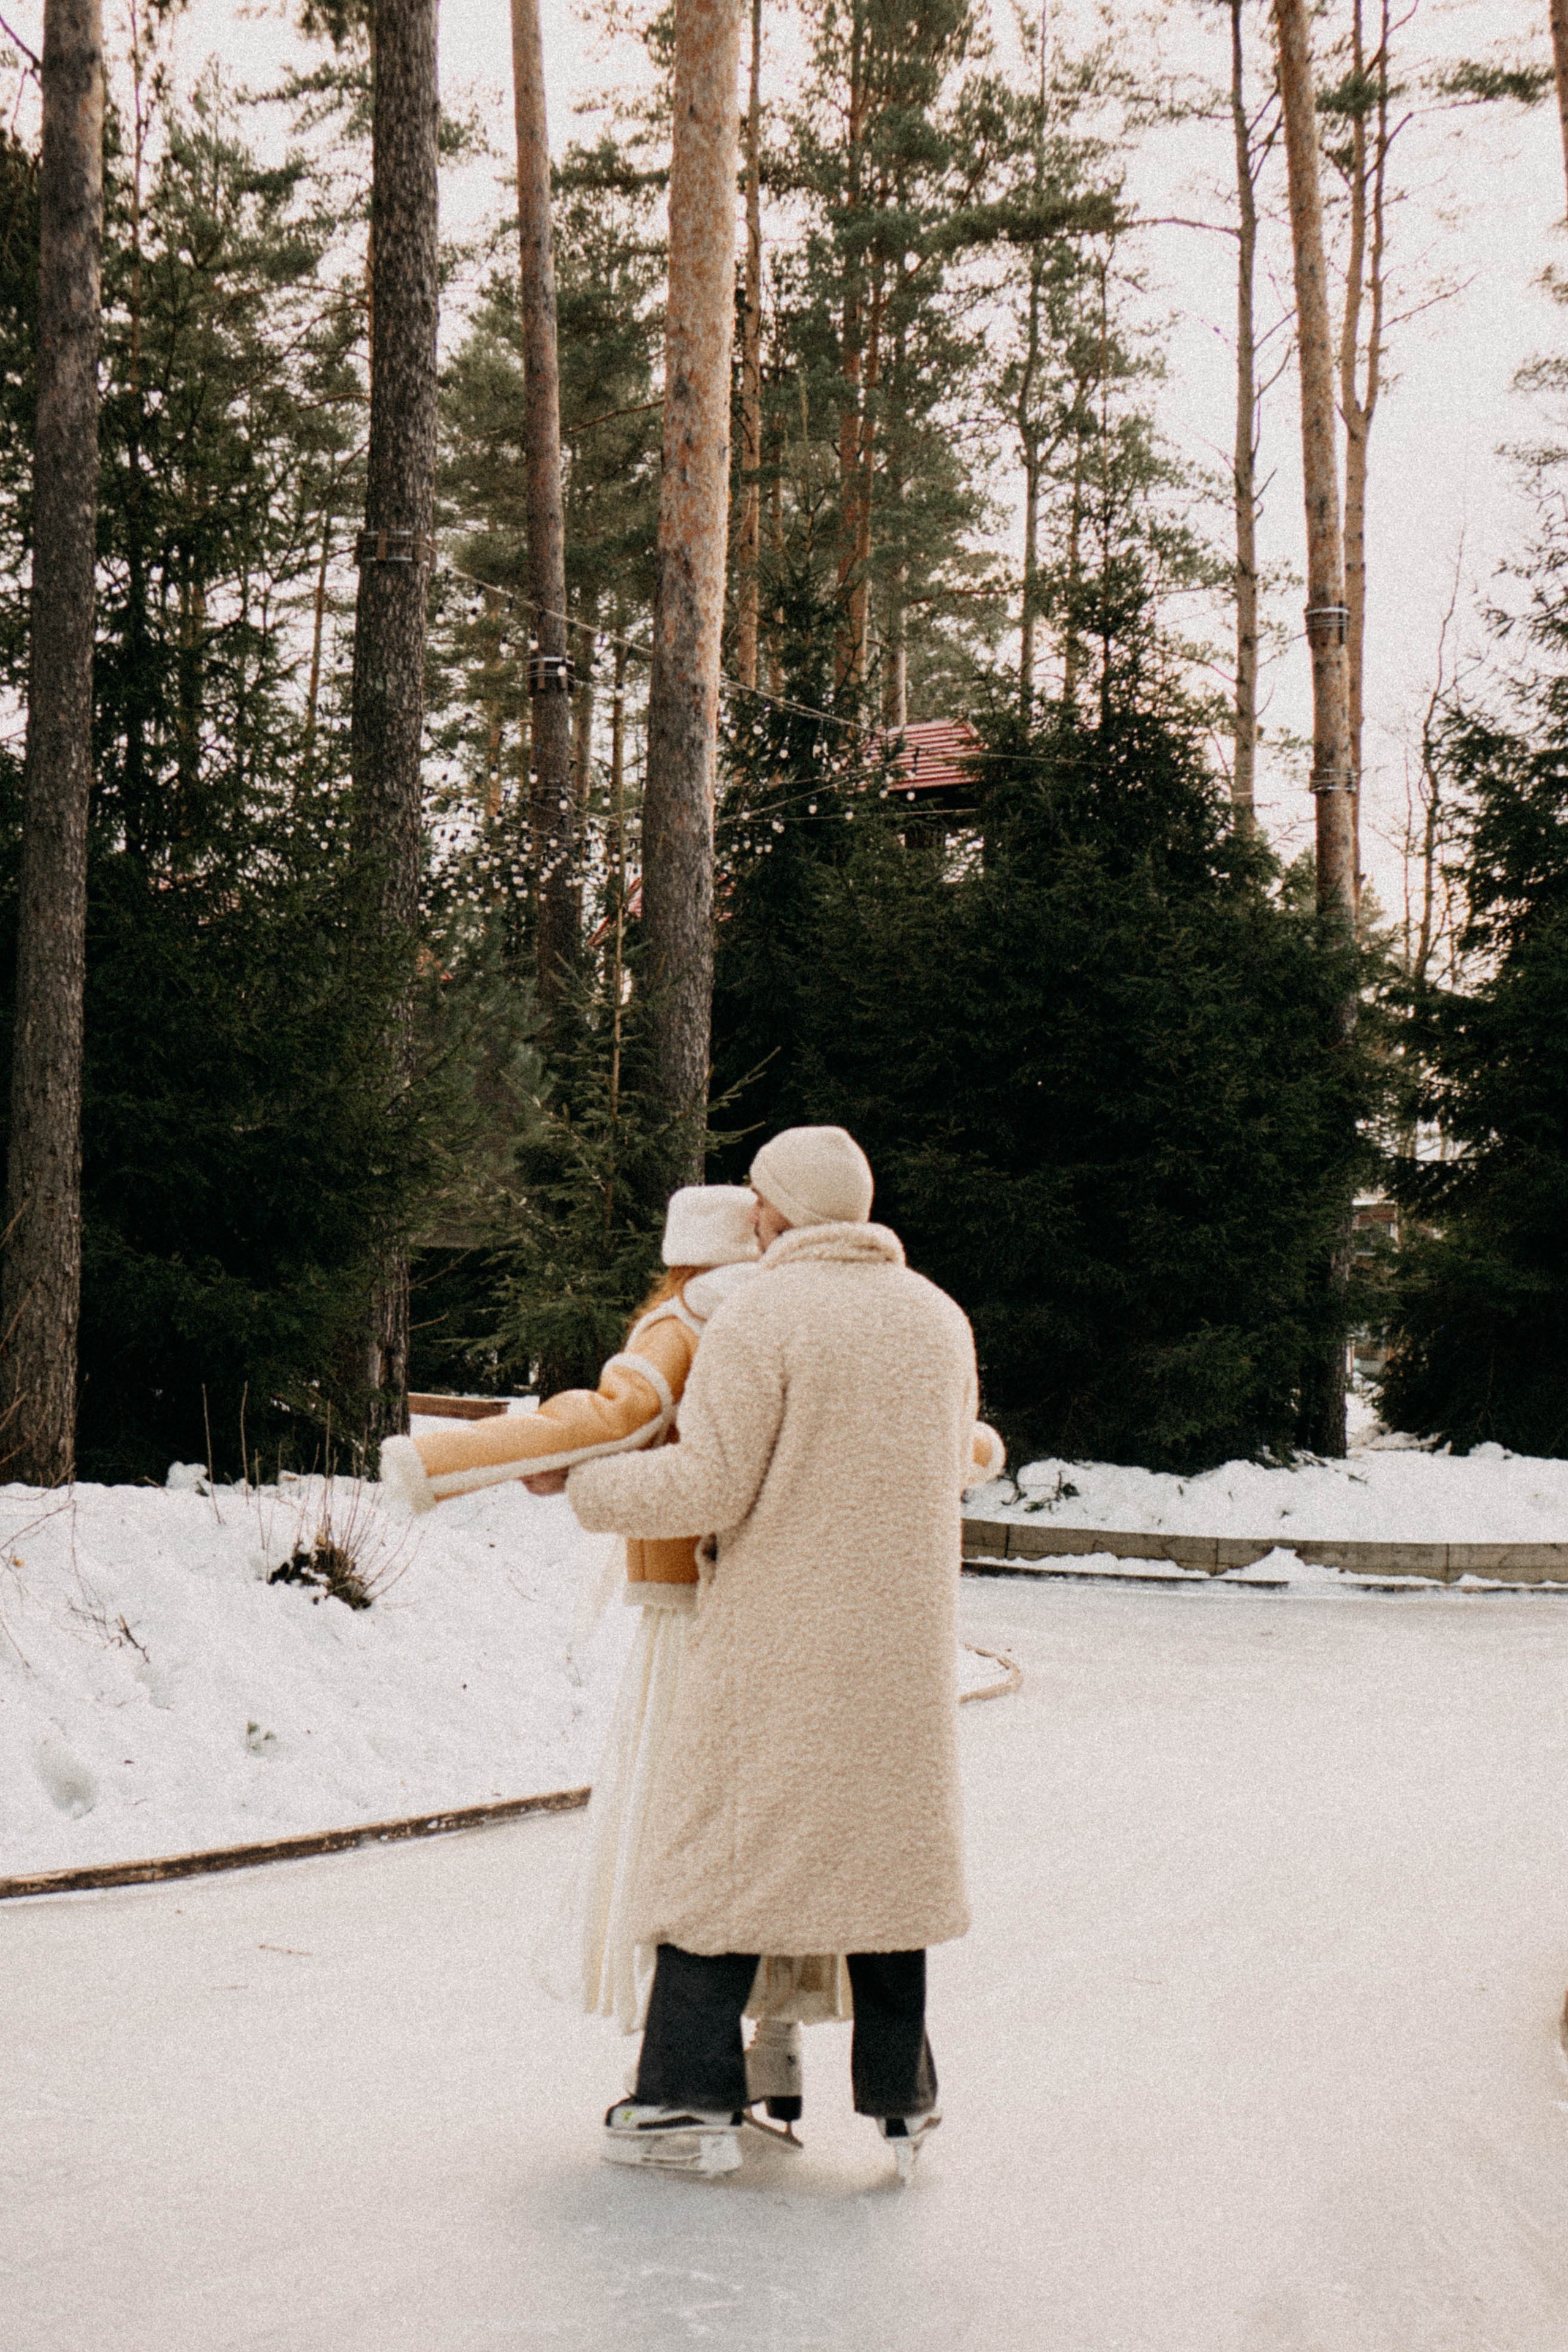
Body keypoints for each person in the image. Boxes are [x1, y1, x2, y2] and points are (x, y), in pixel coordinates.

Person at [548, 1125, 989, 2184]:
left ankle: (685, 2095)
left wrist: (582, 1482)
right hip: (902, 1650)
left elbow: (709, 1484)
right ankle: (901, 2098)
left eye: (757, 1195)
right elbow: (952, 1464)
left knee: (724, 1857)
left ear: (777, 1210)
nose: (749, 1211)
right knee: (887, 1863)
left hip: (780, 1644)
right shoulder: (938, 1318)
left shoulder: (763, 1316)